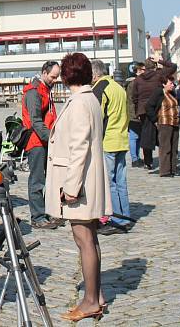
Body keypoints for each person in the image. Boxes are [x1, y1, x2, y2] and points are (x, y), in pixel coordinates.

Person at [45, 52, 112, 322]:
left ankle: (90, 300)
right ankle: (96, 295)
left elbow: (79, 147)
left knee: (84, 239)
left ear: (66, 75)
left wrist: (71, 187)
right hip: (87, 179)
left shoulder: (81, 102)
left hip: (80, 182)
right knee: (89, 239)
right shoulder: (89, 99)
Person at [91, 60, 131, 235]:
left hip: (108, 140)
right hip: (121, 138)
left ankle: (116, 219)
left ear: (95, 74)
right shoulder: (118, 87)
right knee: (121, 181)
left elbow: (96, 118)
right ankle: (125, 216)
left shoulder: (100, 89)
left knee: (110, 183)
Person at [21, 60, 61, 229]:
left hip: (44, 140)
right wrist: (51, 138)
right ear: (44, 73)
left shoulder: (45, 89)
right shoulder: (34, 92)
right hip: (36, 141)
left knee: (48, 179)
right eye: (53, 76)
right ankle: (37, 216)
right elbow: (35, 121)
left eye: (57, 77)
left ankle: (45, 212)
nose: (55, 80)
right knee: (37, 180)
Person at [131, 57, 177, 170]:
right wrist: (160, 60)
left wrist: (138, 109)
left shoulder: (138, 80)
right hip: (158, 108)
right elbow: (173, 67)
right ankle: (166, 161)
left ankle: (148, 162)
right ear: (155, 66)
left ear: (144, 67)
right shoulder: (159, 75)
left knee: (146, 135)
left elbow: (134, 97)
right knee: (163, 135)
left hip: (143, 110)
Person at [146, 76, 179, 177]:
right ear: (164, 84)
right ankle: (165, 171)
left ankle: (173, 169)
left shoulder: (172, 93)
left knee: (174, 147)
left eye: (173, 84)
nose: (172, 85)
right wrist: (155, 120)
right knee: (165, 147)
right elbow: (149, 106)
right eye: (170, 83)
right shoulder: (159, 93)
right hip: (164, 123)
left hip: (175, 123)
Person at [124, 63, 145, 167]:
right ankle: (134, 159)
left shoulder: (136, 82)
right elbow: (133, 99)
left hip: (135, 112)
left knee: (137, 137)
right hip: (133, 113)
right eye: (142, 70)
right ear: (138, 71)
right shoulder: (133, 83)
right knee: (134, 136)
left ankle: (136, 157)